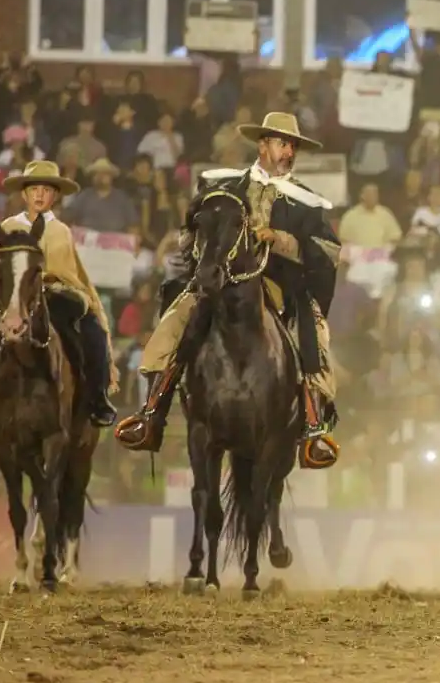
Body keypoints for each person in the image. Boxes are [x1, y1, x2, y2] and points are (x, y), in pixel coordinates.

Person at [112, 113, 342, 469]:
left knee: (316, 331)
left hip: (280, 283)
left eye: (292, 146)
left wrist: (281, 239)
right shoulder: (226, 188)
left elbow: (328, 250)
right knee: (177, 316)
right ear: (262, 145)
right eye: (282, 143)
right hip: (222, 278)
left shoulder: (307, 200)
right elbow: (193, 229)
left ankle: (314, 426)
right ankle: (152, 411)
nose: (288, 152)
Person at [0, 160, 118, 429]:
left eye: (46, 189)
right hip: (8, 297)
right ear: (24, 194)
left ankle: (96, 399)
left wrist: (47, 285)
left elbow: (68, 273)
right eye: (34, 189)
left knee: (94, 334)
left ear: (55, 196)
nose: (39, 195)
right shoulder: (7, 227)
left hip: (56, 297)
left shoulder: (61, 231)